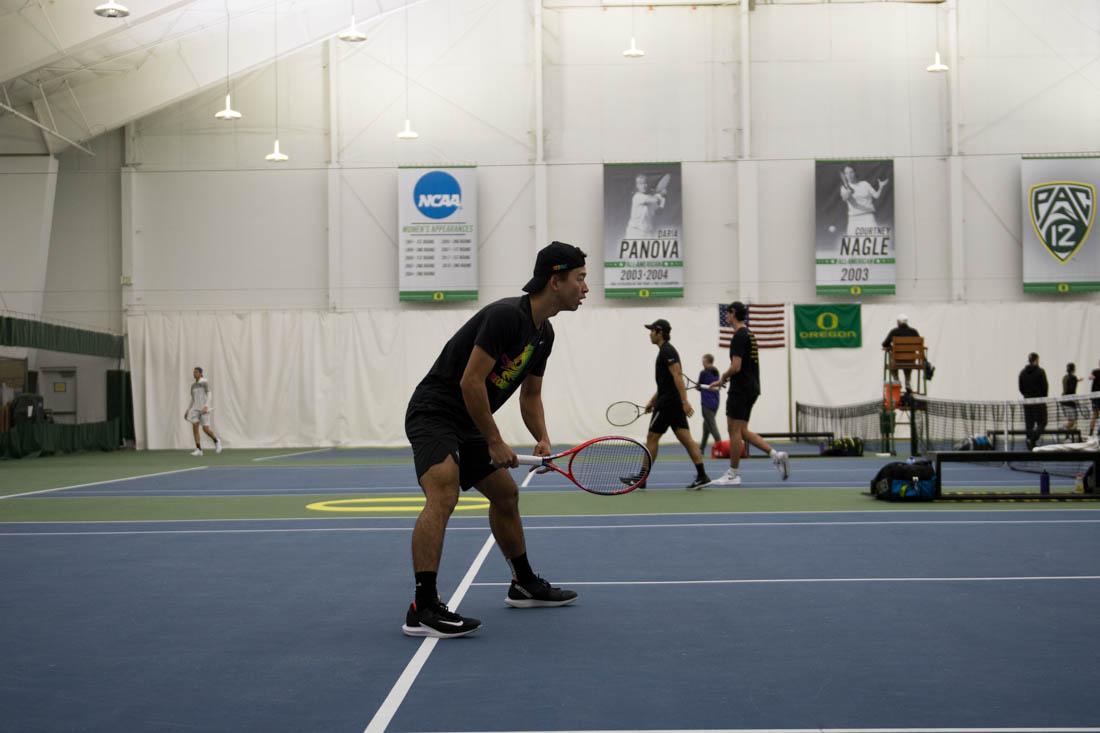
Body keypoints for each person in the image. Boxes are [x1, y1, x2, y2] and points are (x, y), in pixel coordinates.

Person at [402, 241, 587, 639]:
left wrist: (542, 438)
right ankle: (423, 607)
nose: (585, 287)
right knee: (444, 494)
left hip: (468, 420)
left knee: (505, 495)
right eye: (580, 278)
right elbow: (471, 380)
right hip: (434, 412)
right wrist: (495, 440)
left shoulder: (544, 334)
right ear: (555, 281)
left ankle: (523, 584)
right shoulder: (506, 316)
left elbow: (530, 395)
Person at [623, 320, 712, 491]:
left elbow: (677, 376)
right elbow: (667, 383)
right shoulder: (665, 351)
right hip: (670, 401)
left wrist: (685, 401)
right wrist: (652, 401)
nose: (649, 334)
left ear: (659, 332)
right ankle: (702, 475)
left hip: (668, 404)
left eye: (651, 331)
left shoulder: (667, 351)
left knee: (652, 438)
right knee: (686, 439)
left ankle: (641, 478)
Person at [710, 302, 789, 486]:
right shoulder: (750, 334)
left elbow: (736, 367)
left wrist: (723, 375)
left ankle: (733, 474)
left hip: (741, 389)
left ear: (734, 313)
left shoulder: (739, 336)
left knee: (733, 429)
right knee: (743, 430)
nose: (726, 315)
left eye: (728, 312)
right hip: (751, 387)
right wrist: (724, 379)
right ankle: (776, 455)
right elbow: (742, 367)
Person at [839, 164, 889, 236]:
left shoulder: (865, 184)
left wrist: (880, 187)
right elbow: (844, 198)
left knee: (873, 242)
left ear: (855, 173)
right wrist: (848, 192)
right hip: (853, 219)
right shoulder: (844, 188)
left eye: (851, 172)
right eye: (846, 173)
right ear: (845, 176)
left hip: (868, 217)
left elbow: (876, 196)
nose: (849, 175)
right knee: (852, 244)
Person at [184, 367, 222, 456]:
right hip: (195, 410)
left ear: (201, 373)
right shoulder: (193, 385)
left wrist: (206, 406)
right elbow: (192, 399)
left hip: (204, 409)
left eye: (196, 372)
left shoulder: (204, 382)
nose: (194, 373)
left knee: (206, 429)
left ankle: (216, 441)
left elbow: (209, 393)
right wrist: (188, 410)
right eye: (194, 372)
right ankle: (199, 449)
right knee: (195, 428)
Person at [881, 314, 921, 389]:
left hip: (897, 361)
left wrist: (891, 347)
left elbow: (884, 344)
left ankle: (897, 381)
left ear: (898, 322)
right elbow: (919, 345)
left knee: (892, 363)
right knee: (908, 362)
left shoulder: (894, 331)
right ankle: (907, 382)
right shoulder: (914, 331)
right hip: (910, 361)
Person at [1018, 352, 1048, 450]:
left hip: (1027, 402)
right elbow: (1045, 387)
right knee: (1042, 422)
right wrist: (1042, 397)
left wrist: (1027, 396)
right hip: (1039, 402)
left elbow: (1020, 388)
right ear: (1036, 360)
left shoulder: (1022, 372)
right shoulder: (1040, 371)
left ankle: (1030, 441)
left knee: (1029, 424)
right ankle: (1032, 440)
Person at [623, 173, 665, 240]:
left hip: (648, 233)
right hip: (635, 232)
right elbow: (655, 199)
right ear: (637, 186)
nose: (644, 186)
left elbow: (659, 212)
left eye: (645, 183)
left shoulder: (650, 199)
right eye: (641, 184)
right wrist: (660, 194)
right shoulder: (637, 197)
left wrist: (663, 201)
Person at [696, 354, 722, 454]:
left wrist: (698, 387)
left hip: (707, 402)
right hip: (715, 402)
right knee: (706, 426)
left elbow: (699, 386)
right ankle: (701, 449)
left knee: (711, 426)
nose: (702, 362)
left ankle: (720, 449)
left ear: (707, 361)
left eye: (703, 361)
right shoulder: (716, 371)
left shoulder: (703, 373)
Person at [1061, 363, 1079, 431]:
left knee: (1071, 421)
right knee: (1072, 421)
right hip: (1069, 402)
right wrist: (1075, 399)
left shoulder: (1064, 377)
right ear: (1073, 369)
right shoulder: (1073, 377)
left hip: (1064, 401)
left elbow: (1067, 386)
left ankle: (1067, 436)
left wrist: (1076, 381)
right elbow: (1071, 390)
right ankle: (1062, 429)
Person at [1090, 362, 1100, 436]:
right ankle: (1091, 433)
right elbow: (1090, 377)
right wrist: (1092, 377)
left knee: (1095, 415)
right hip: (1095, 397)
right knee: (1095, 415)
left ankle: (1098, 433)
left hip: (1096, 397)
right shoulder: (1095, 371)